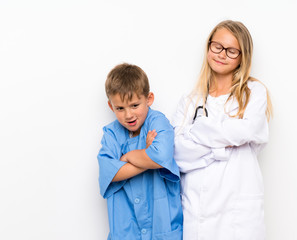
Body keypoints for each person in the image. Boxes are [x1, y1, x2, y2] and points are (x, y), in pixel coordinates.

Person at [172, 20, 273, 240]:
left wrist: (196, 132)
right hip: (197, 209)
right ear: (209, 46)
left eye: (231, 51)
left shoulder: (253, 93)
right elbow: (177, 152)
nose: (222, 54)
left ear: (242, 57)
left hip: (238, 210)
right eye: (217, 46)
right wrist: (223, 147)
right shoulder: (190, 100)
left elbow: (248, 129)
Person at [97, 63, 183, 240]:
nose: (128, 115)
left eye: (135, 105)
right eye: (120, 108)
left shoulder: (158, 122)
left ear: (149, 99)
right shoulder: (111, 134)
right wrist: (145, 154)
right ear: (111, 106)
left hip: (162, 227)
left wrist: (127, 157)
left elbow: (161, 156)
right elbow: (109, 173)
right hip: (126, 230)